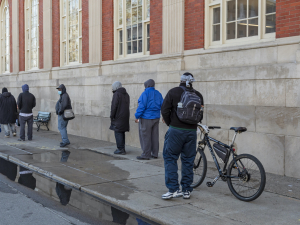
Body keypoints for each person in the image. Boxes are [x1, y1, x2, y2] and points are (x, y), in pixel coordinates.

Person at [161, 72, 204, 200]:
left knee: (170, 158)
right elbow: (200, 115)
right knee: (188, 160)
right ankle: (186, 190)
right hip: (191, 132)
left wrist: (171, 123)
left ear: (180, 80)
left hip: (176, 131)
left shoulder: (173, 92)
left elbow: (164, 110)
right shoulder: (199, 95)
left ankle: (173, 189)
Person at [135, 79, 163, 160]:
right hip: (156, 117)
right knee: (155, 136)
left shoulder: (145, 93)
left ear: (146, 85)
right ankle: (155, 153)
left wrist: (137, 116)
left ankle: (146, 154)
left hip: (146, 118)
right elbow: (163, 105)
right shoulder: (158, 93)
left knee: (145, 136)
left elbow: (141, 106)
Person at [110, 81, 130, 155]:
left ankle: (120, 149)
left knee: (118, 132)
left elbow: (114, 106)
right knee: (121, 132)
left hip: (118, 117)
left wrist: (112, 116)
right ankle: (122, 148)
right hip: (125, 117)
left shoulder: (117, 94)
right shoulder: (126, 94)